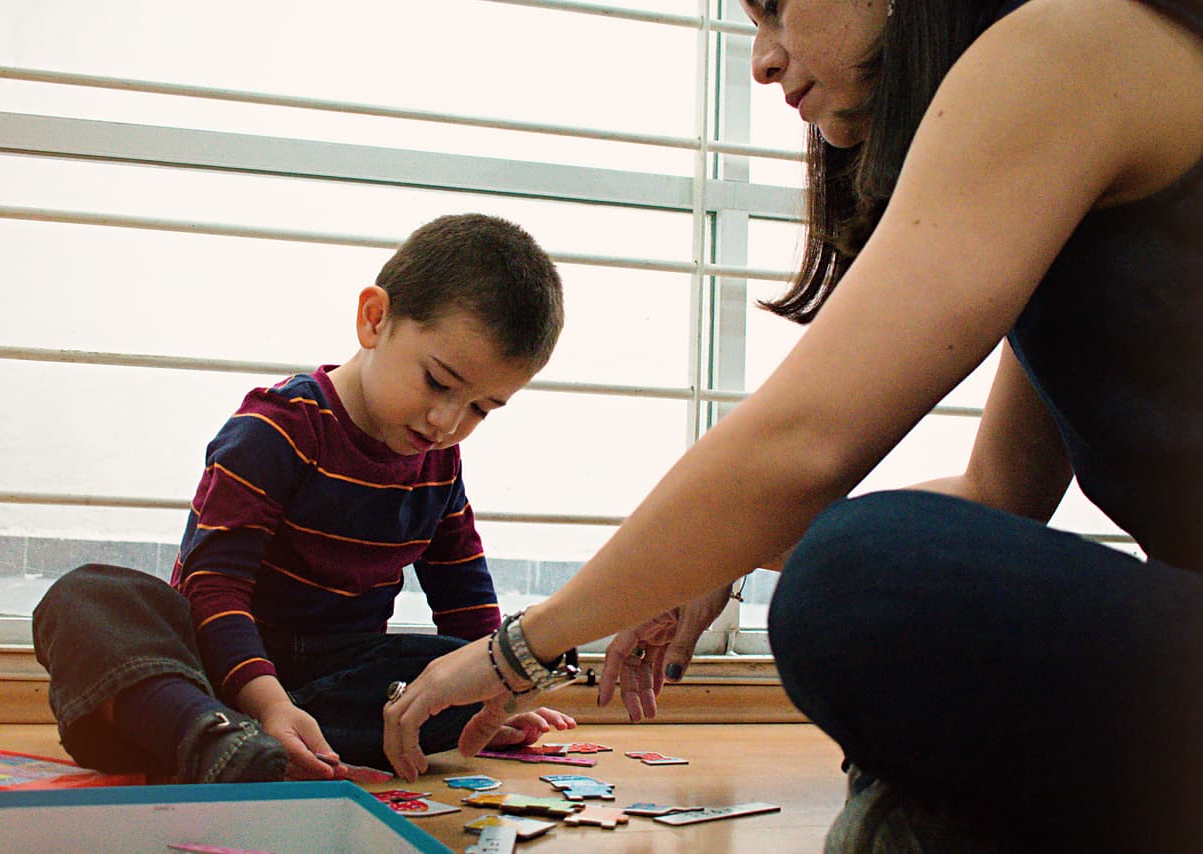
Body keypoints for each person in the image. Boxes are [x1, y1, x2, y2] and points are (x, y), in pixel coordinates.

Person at [380, 1, 1203, 850]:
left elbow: (801, 446)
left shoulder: (1071, 43)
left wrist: (517, 649)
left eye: (775, 7)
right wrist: (716, 559)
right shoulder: (1057, 165)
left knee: (857, 573)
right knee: (864, 564)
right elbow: (1000, 492)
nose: (762, 62)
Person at [32, 213, 576, 786]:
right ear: (375, 319)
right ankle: (207, 734)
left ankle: (259, 747)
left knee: (452, 675)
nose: (448, 421)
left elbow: (464, 593)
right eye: (438, 383)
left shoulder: (438, 463)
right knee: (89, 597)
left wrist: (493, 688)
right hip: (214, 672)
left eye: (481, 409)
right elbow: (213, 585)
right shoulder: (276, 428)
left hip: (333, 685)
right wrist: (267, 706)